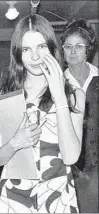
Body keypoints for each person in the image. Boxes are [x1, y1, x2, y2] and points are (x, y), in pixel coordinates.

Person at [0, 14, 85, 213]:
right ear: (17, 54)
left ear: (51, 48)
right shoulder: (7, 95)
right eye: (26, 49)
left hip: (57, 197)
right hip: (14, 199)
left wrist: (59, 98)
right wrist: (15, 143)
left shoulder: (74, 95)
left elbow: (71, 157)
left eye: (41, 47)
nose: (34, 57)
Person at [60, 18, 98, 213]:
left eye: (79, 46)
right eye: (68, 47)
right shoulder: (57, 86)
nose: (73, 52)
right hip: (68, 168)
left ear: (88, 50)